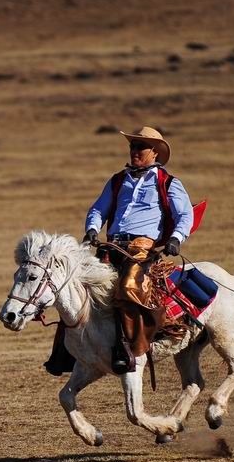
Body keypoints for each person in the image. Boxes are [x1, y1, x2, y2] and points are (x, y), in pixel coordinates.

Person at [44, 126, 195, 376]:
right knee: (75, 288)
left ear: (155, 153)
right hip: (111, 246)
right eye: (132, 146)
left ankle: (131, 350)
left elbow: (185, 215)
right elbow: (97, 210)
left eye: (140, 147)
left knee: (126, 288)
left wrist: (176, 239)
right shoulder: (117, 180)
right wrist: (92, 229)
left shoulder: (168, 182)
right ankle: (65, 355)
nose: (134, 151)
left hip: (141, 250)